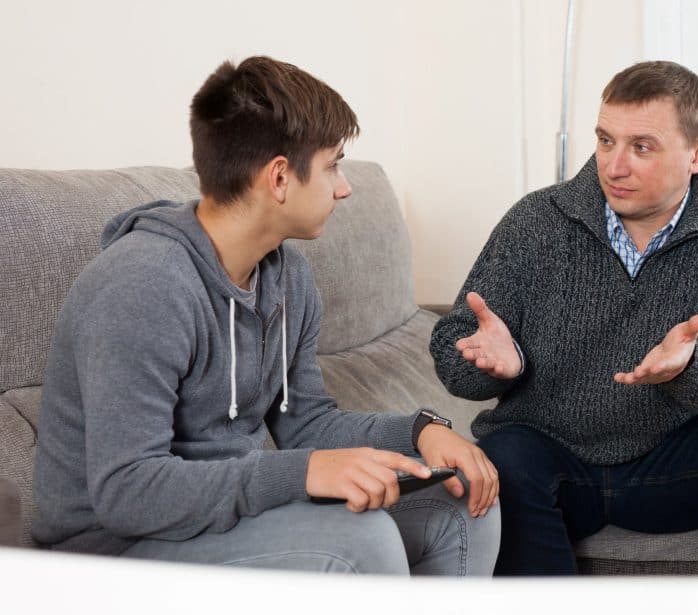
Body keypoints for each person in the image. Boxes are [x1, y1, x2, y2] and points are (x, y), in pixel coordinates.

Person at [32, 56, 499, 576]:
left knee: (466, 504)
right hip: (113, 549)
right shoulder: (142, 286)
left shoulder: (288, 279)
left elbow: (306, 424)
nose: (344, 188)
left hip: (232, 515)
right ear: (279, 177)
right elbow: (128, 492)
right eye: (332, 166)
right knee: (361, 540)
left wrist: (419, 431)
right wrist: (302, 474)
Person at [430, 61, 698, 613]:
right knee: (502, 456)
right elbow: (456, 340)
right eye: (605, 140)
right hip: (551, 456)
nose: (614, 164)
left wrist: (691, 367)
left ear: (697, 154)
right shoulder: (536, 220)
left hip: (671, 466)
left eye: (642, 147)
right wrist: (495, 362)